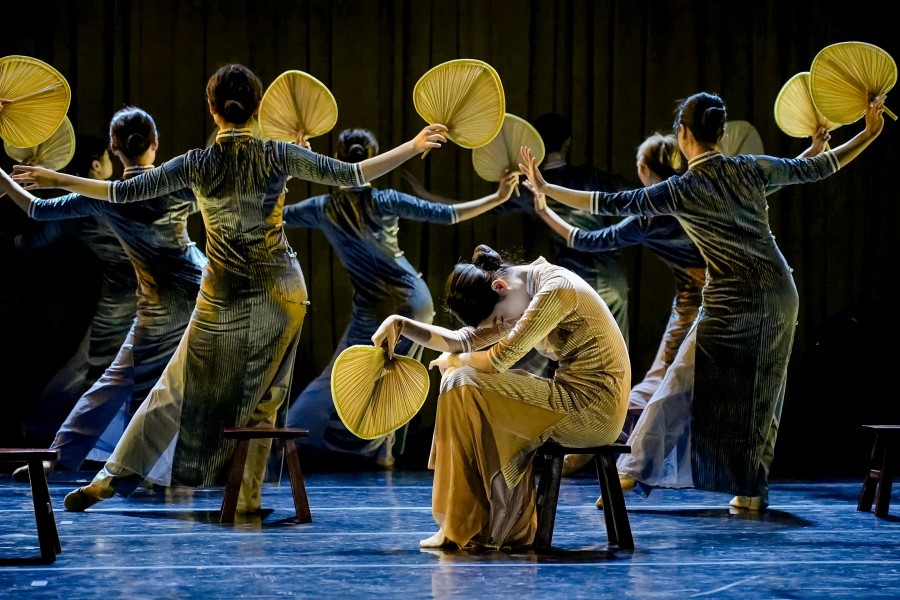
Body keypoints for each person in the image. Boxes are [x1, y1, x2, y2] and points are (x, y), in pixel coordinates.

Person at [2, 62, 448, 513]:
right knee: (267, 397)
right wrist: (413, 145)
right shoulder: (277, 155)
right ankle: (247, 497)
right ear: (258, 109)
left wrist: (58, 179)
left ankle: (113, 476)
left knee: (174, 388)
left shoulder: (197, 163)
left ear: (212, 110)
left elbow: (121, 193)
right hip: (280, 290)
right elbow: (352, 174)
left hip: (223, 292)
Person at [520, 92, 887, 510]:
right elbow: (813, 168)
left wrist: (546, 188)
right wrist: (868, 133)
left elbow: (610, 203)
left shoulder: (683, 189)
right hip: (776, 292)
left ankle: (630, 472)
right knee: (764, 392)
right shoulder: (749, 168)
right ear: (722, 134)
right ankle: (750, 489)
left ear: (683, 134)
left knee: (680, 381)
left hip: (732, 294)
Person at [282, 128, 519, 469]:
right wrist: (497, 197)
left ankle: (281, 444)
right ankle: (385, 452)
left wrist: (285, 171)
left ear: (337, 160)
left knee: (335, 379)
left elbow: (274, 212)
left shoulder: (323, 207)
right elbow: (447, 215)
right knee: (395, 376)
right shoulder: (384, 200)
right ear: (375, 161)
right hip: (413, 301)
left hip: (379, 305)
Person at [371, 244, 629, 550]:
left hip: (593, 410)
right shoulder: (522, 290)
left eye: (497, 319)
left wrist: (454, 361)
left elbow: (499, 359)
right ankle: (466, 522)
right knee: (459, 379)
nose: (501, 326)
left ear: (500, 286)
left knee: (462, 379)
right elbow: (464, 340)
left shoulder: (555, 290)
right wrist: (400, 323)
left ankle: (475, 523)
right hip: (570, 397)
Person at [7, 107, 207, 483]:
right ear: (155, 143)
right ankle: (156, 466)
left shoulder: (106, 195)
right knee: (160, 382)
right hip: (196, 296)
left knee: (122, 382)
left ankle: (71, 458)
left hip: (158, 304)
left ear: (115, 148)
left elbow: (38, 209)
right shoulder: (173, 183)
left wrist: (6, 183)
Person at [534, 132, 706, 478]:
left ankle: (608, 446)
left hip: (700, 298)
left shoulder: (650, 213)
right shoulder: (699, 192)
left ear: (644, 170)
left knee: (663, 378)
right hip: (737, 290)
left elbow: (586, 239)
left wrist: (544, 208)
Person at [12, 136, 138, 448]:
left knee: (91, 367)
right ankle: (49, 432)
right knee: (96, 369)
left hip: (123, 295)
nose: (110, 160)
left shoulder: (75, 206)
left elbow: (36, 238)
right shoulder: (114, 197)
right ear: (96, 165)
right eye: (107, 156)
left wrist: (13, 241)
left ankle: (44, 429)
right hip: (132, 296)